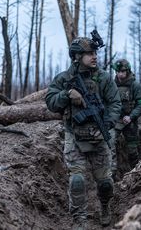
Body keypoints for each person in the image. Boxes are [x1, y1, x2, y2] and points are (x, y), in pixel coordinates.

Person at [46, 34, 121, 229]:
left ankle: (105, 207)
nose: (94, 56)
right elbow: (51, 102)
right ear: (77, 56)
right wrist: (67, 94)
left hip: (99, 137)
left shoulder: (104, 78)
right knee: (77, 181)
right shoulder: (64, 78)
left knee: (105, 184)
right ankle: (80, 219)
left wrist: (106, 124)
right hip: (74, 136)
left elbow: (115, 103)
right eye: (89, 53)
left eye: (95, 52)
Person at [110, 58, 141, 173]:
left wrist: (131, 116)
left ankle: (135, 171)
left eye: (122, 72)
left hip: (130, 121)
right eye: (118, 72)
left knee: (132, 149)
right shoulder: (112, 85)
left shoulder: (134, 85)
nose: (120, 74)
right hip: (115, 120)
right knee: (110, 143)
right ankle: (112, 173)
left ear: (128, 71)